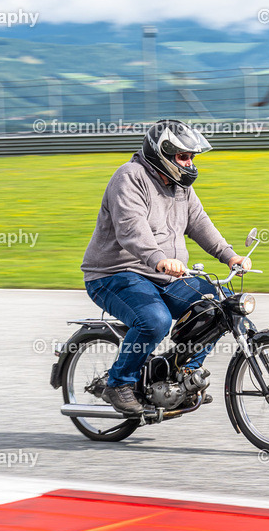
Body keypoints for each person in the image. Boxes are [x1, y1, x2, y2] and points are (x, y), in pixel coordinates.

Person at [81, 119, 251, 415]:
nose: (189, 163)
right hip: (115, 274)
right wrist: (158, 258)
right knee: (154, 320)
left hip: (164, 276)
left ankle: (186, 375)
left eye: (191, 157)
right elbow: (131, 227)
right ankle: (118, 383)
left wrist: (229, 256)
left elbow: (199, 223)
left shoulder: (180, 186)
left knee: (216, 308)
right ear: (162, 154)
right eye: (183, 157)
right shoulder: (130, 177)